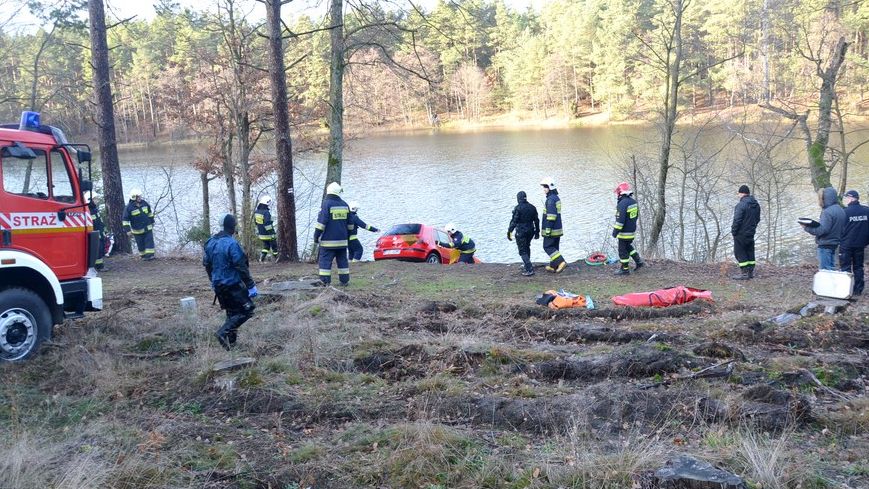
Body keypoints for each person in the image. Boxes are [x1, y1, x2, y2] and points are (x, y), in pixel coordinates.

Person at [203, 214, 257, 350]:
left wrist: (213, 281)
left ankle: (231, 346)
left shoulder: (210, 242)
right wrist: (250, 285)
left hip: (218, 285)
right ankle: (222, 333)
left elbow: (207, 265)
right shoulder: (232, 244)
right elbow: (241, 266)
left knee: (232, 313)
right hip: (232, 285)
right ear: (231, 227)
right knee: (247, 310)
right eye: (234, 226)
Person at [314, 182, 351, 286]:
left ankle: (325, 282)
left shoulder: (326, 204)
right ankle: (344, 281)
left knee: (325, 262)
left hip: (328, 242)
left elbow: (321, 223)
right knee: (342, 262)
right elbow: (350, 224)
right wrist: (348, 237)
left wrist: (316, 236)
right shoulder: (345, 204)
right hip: (342, 242)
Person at [800, 186, 845, 270]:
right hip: (835, 244)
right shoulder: (840, 209)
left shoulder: (827, 212)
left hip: (825, 245)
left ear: (824, 198)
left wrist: (806, 227)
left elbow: (822, 230)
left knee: (825, 271)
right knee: (831, 270)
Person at [612, 182, 645, 276]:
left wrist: (615, 232)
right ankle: (638, 261)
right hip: (631, 230)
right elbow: (636, 216)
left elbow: (620, 221)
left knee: (622, 250)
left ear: (620, 193)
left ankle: (625, 269)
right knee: (628, 246)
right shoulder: (633, 202)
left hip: (624, 233)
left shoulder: (622, 204)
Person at [840, 190, 869, 295]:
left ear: (851, 198)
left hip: (846, 244)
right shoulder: (866, 211)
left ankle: (845, 289)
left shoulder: (845, 212)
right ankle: (858, 289)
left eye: (847, 198)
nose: (846, 200)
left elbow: (840, 228)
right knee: (858, 267)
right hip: (861, 244)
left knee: (845, 267)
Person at [730, 184, 761, 280]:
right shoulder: (756, 205)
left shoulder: (741, 205)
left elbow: (737, 220)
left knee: (739, 252)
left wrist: (734, 231)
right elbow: (757, 219)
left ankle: (744, 274)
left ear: (741, 193)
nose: (738, 195)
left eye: (739, 193)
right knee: (750, 251)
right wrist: (752, 228)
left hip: (741, 233)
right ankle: (750, 273)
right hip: (751, 232)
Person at [508, 191, 540, 276]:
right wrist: (537, 232)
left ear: (518, 199)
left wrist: (509, 231)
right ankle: (527, 264)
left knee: (522, 250)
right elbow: (536, 221)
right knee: (527, 246)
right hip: (531, 231)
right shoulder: (532, 207)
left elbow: (514, 221)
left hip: (521, 231)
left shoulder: (518, 208)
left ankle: (529, 269)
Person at [540, 177, 566, 273]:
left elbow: (551, 216)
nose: (544, 189)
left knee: (547, 246)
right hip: (557, 228)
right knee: (554, 247)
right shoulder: (555, 197)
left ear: (550, 187)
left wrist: (548, 230)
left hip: (552, 229)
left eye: (545, 187)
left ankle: (561, 262)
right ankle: (554, 266)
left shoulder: (550, 200)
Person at [122, 188, 156, 261]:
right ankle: (143, 256)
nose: (140, 198)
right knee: (140, 245)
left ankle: (150, 256)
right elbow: (125, 220)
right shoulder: (128, 208)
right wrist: (128, 230)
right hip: (137, 231)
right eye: (138, 197)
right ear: (134, 197)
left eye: (140, 196)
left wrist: (152, 221)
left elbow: (149, 213)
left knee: (149, 242)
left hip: (147, 228)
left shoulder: (144, 203)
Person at [85, 191, 106, 270]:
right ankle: (99, 266)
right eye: (95, 199)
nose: (97, 200)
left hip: (99, 233)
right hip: (94, 234)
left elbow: (99, 222)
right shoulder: (88, 211)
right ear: (90, 200)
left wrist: (104, 230)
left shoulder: (95, 209)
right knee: (98, 250)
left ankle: (99, 265)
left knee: (101, 249)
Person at [254, 195, 277, 262]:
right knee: (274, 246)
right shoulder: (266, 212)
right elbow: (267, 224)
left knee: (266, 246)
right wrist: (272, 233)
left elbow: (256, 222)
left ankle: (261, 259)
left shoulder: (257, 212)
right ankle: (277, 258)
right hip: (268, 234)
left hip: (261, 234)